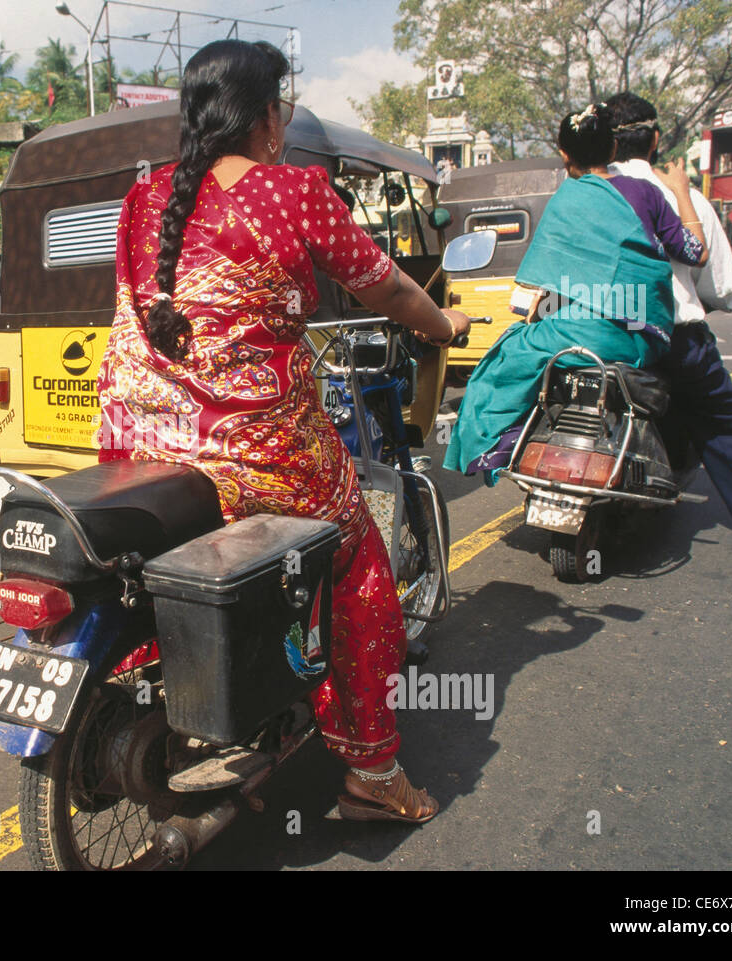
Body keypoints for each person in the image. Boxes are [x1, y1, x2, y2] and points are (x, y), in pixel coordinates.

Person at [96, 39, 470, 824]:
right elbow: (390, 285)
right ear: (267, 117)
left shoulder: (144, 201)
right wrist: (442, 324)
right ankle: (370, 770)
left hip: (145, 443)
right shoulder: (294, 192)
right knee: (357, 568)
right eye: (283, 106)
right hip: (260, 453)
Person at [445, 102, 706, 477]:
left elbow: (548, 287)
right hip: (641, 334)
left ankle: (501, 444)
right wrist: (682, 191)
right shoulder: (647, 194)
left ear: (565, 155)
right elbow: (695, 252)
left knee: (505, 357)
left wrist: (530, 319)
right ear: (613, 150)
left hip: (577, 333)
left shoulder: (565, 199)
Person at [607, 93, 732, 537]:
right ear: (654, 140)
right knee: (722, 416)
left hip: (605, 333)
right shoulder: (680, 197)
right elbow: (716, 282)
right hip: (675, 336)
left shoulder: (588, 195)